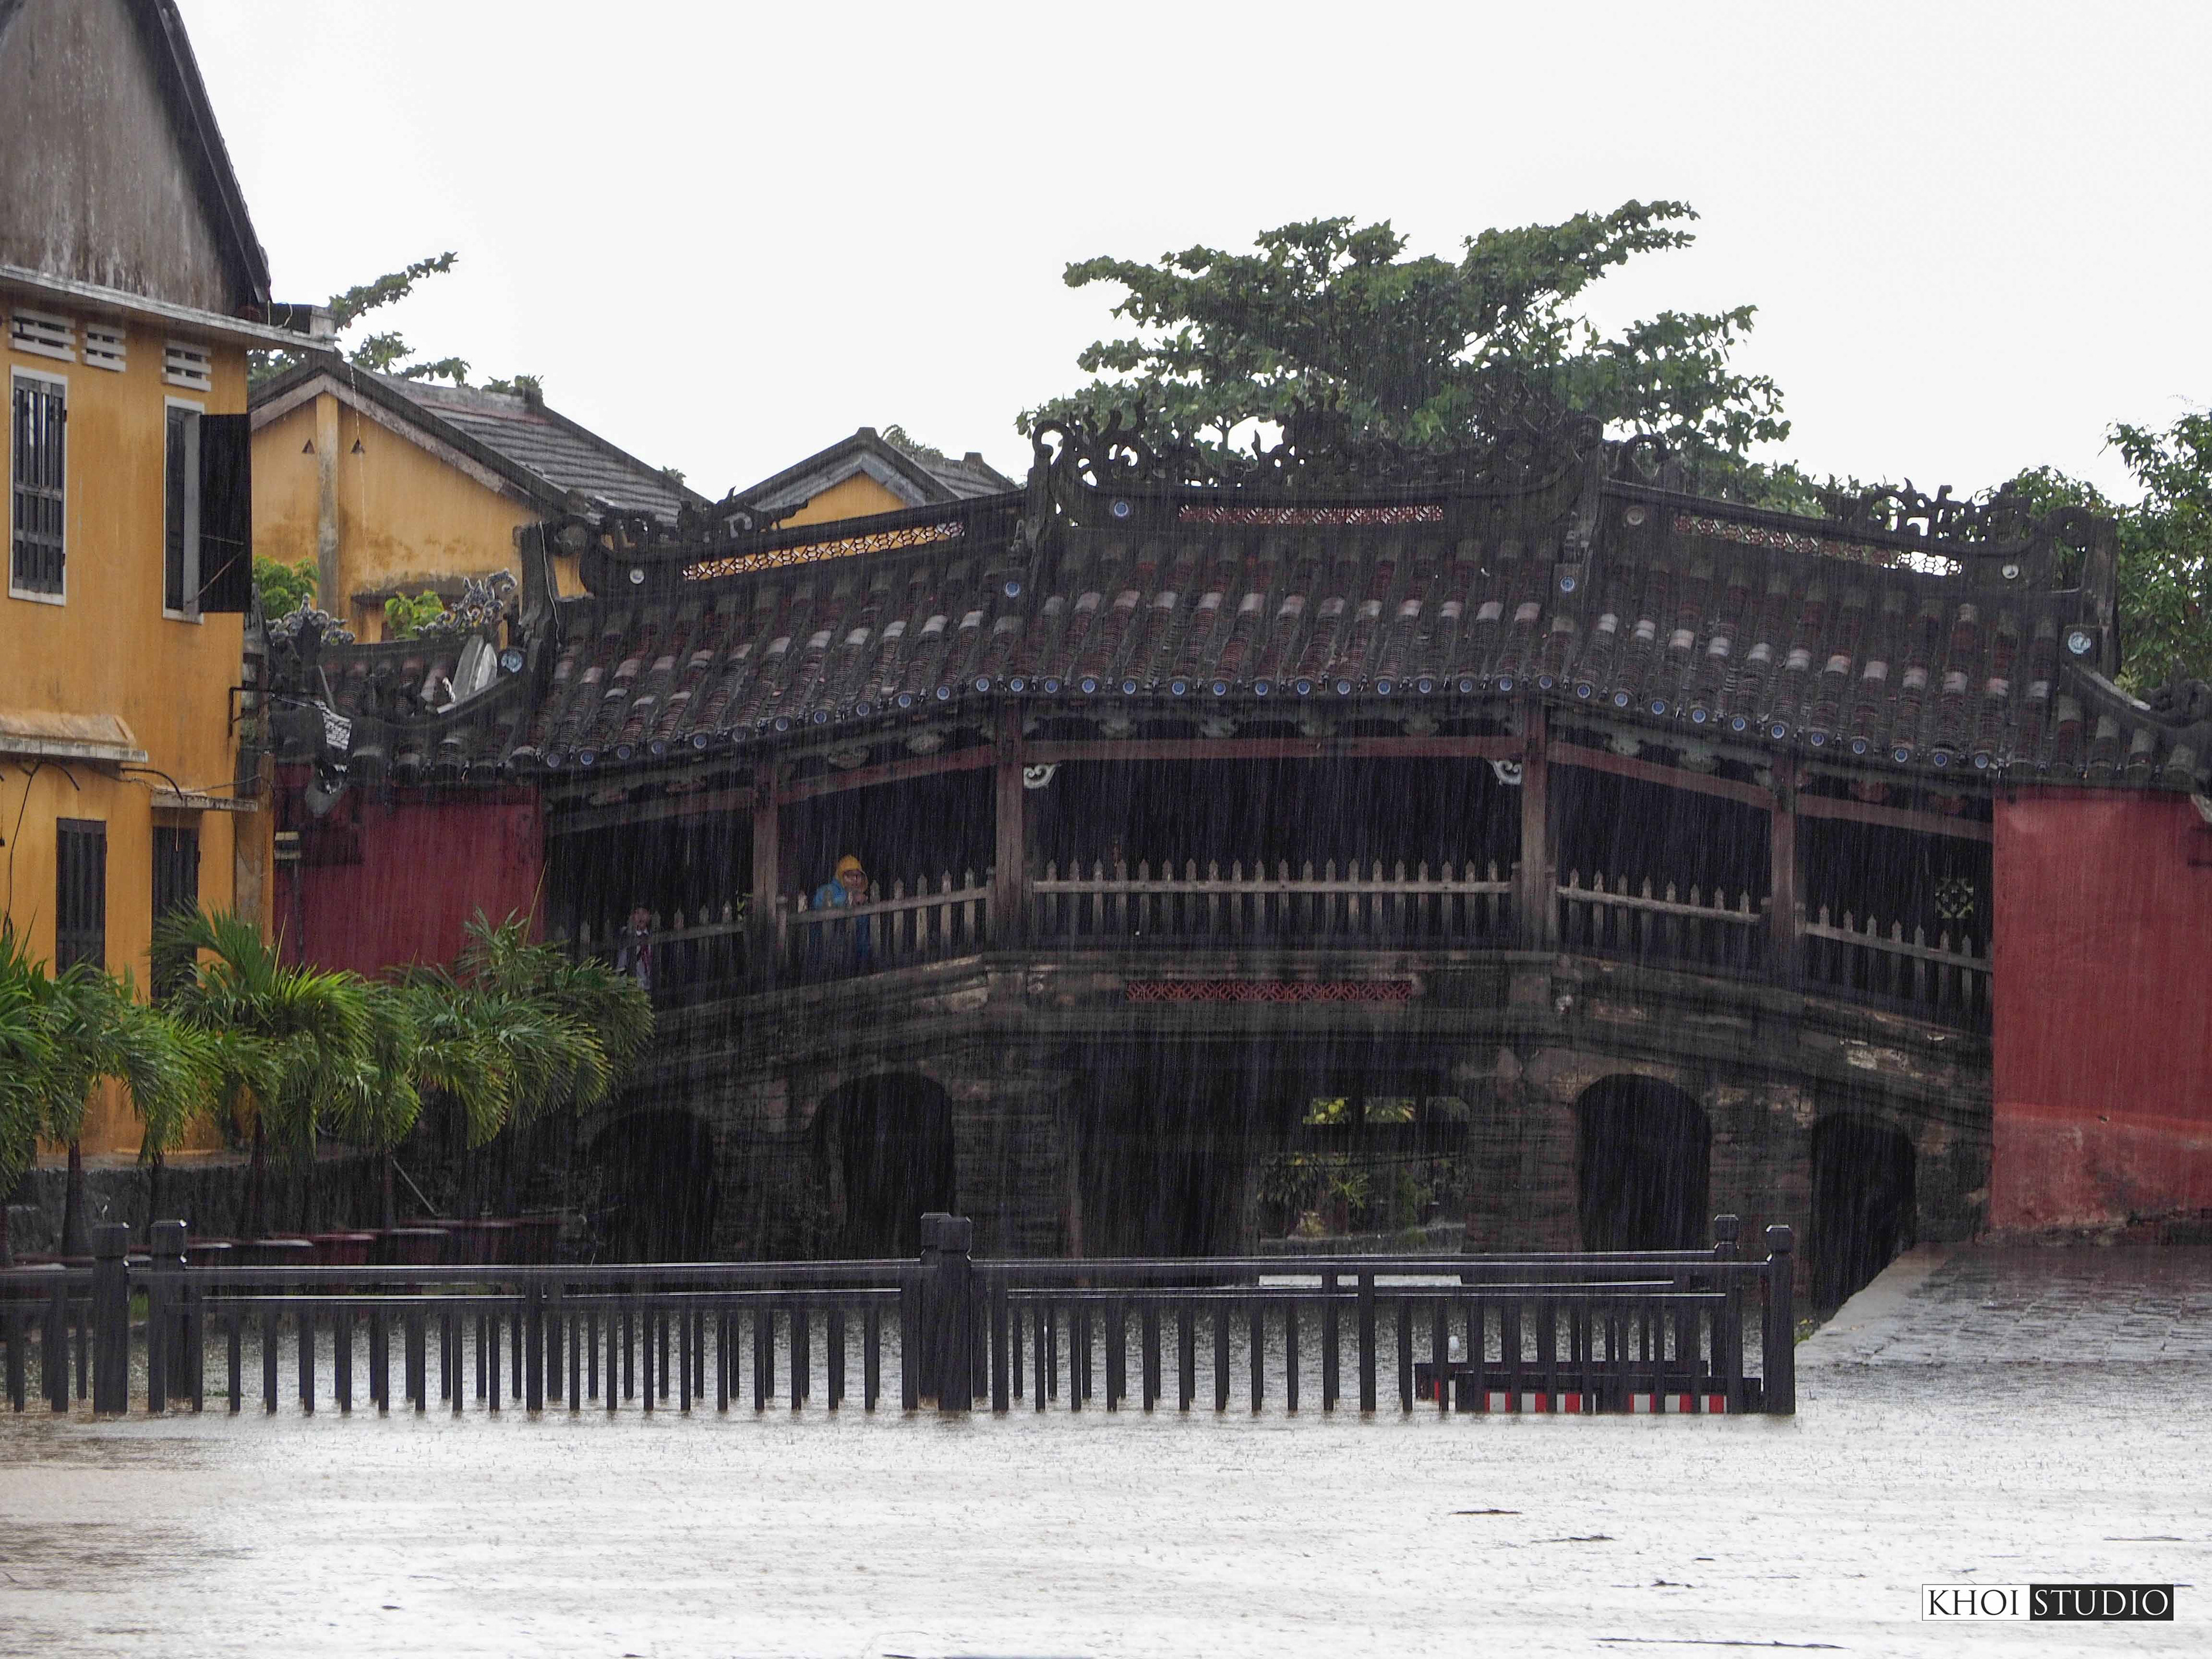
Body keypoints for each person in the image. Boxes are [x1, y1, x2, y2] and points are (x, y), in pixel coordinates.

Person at [809, 855, 873, 974]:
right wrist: (847, 900)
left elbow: (863, 934)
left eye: (858, 876)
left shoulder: (861, 901)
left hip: (852, 958)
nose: (855, 880)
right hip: (825, 955)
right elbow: (817, 901)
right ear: (841, 877)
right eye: (849, 876)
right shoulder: (829, 890)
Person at [613, 905, 653, 995]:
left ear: (650, 916)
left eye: (644, 913)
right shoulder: (624, 935)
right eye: (637, 913)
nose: (641, 917)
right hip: (627, 985)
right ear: (631, 916)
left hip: (648, 986)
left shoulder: (652, 936)